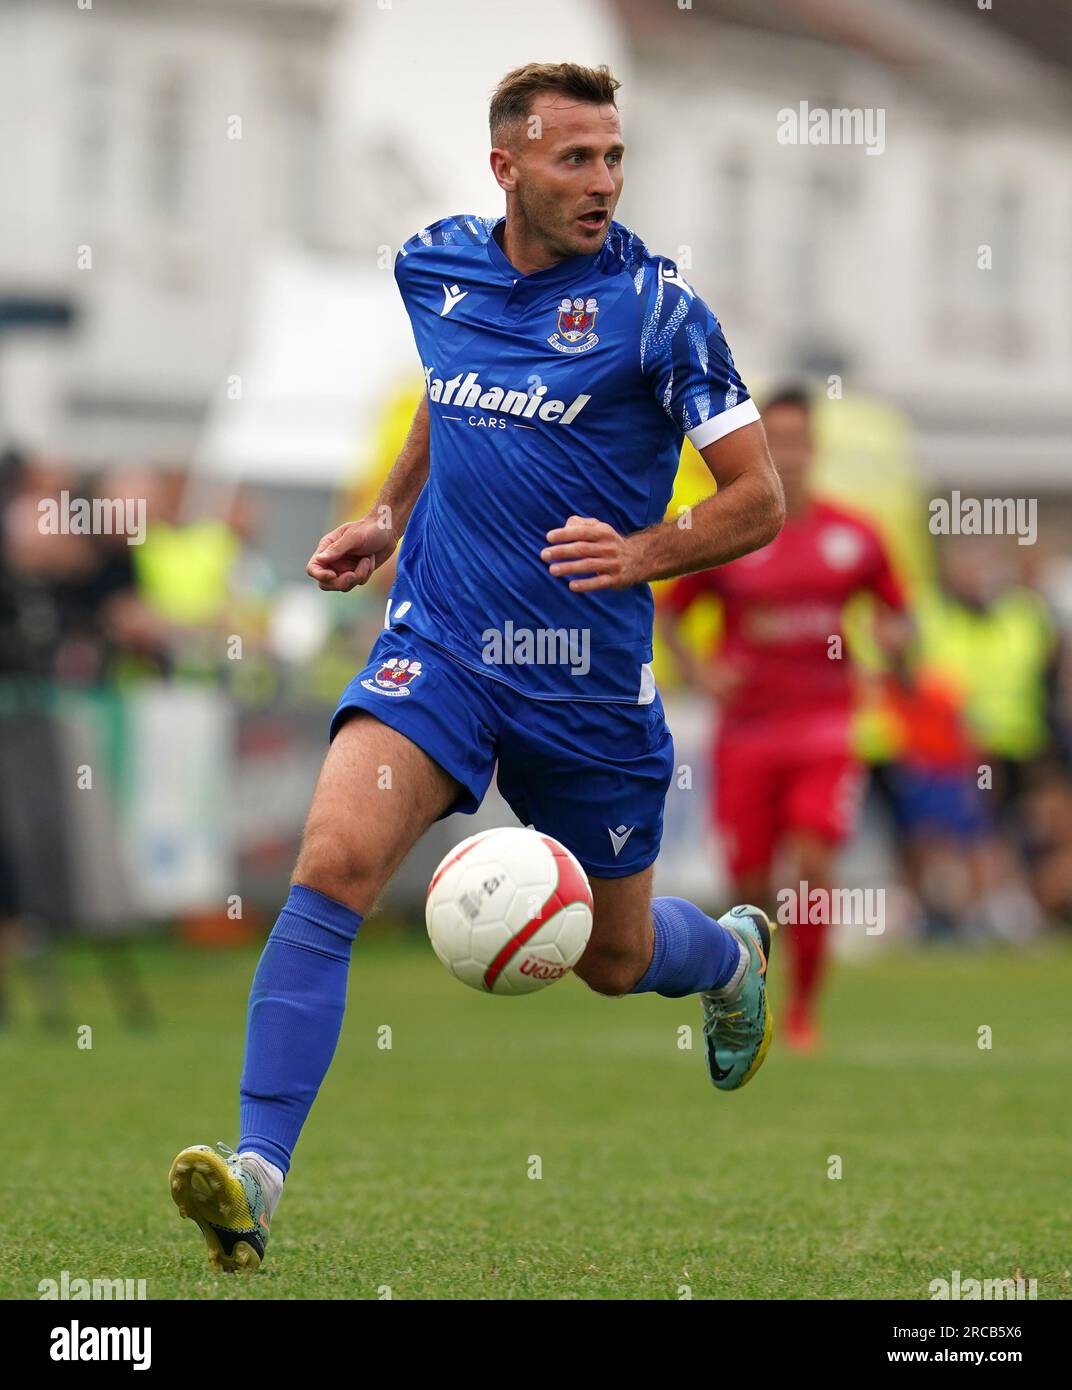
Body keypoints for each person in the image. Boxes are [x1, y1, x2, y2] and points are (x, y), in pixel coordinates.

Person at [169, 62, 785, 1272]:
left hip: (582, 676)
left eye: (613, 157)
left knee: (612, 962)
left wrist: (648, 548)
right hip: (441, 641)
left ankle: (728, 954)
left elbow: (760, 498)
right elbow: (449, 399)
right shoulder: (433, 264)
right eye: (575, 159)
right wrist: (391, 512)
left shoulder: (660, 314)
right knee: (333, 865)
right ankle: (255, 1177)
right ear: (507, 167)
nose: (602, 181)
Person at [659, 387, 909, 1051]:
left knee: (814, 855)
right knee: (749, 879)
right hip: (747, 731)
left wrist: (891, 639)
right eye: (781, 443)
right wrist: (702, 671)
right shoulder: (731, 530)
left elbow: (897, 612)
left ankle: (803, 1010)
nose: (792, 457)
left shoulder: (855, 535)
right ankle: (747, 993)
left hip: (825, 724)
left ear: (815, 448)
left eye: (801, 442)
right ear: (765, 450)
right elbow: (671, 609)